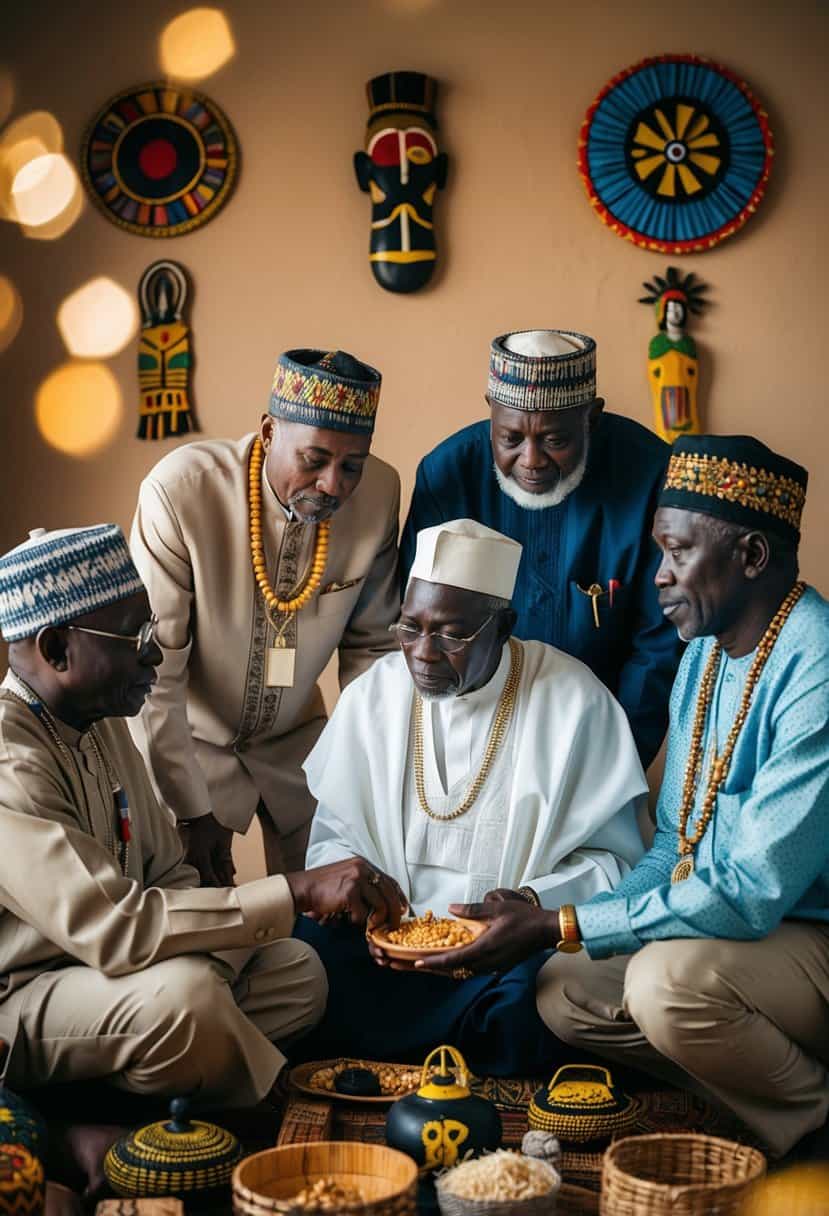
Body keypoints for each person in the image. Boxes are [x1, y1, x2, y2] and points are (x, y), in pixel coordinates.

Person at [417, 438, 827, 1158]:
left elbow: (751, 891)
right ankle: (745, 1103)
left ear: (752, 558)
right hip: (744, 937)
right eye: (658, 553)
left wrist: (563, 921)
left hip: (803, 935)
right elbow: (673, 844)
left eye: (676, 554)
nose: (658, 577)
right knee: (565, 989)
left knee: (667, 985)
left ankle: (811, 1121)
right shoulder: (705, 648)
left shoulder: (815, 667)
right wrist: (560, 930)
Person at [0, 525, 404, 1103]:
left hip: (120, 969)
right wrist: (294, 892)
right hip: (30, 994)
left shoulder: (104, 723)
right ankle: (209, 1112)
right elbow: (116, 929)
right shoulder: (9, 759)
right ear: (57, 649)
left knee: (298, 972)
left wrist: (232, 939)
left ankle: (165, 1082)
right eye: (135, 635)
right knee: (188, 1000)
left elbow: (168, 876)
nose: (156, 654)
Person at [294, 519, 647, 1075]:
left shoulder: (574, 701)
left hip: (507, 961)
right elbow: (334, 838)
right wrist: (362, 899)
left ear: (502, 625)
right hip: (384, 951)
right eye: (409, 628)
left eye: (451, 635)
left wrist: (529, 910)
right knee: (306, 955)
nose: (423, 653)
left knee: (534, 1002)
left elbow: (614, 863)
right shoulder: (372, 698)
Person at [129, 348, 401, 884]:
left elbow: (374, 652)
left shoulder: (380, 494)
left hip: (303, 747)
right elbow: (154, 672)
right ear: (269, 431)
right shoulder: (181, 492)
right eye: (314, 460)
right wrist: (187, 807)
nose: (334, 485)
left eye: (352, 465)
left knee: (330, 926)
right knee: (199, 919)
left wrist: (367, 787)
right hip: (187, 742)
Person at [399, 329, 682, 768]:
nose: (531, 460)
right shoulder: (447, 474)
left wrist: (612, 764)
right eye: (510, 438)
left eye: (555, 440)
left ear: (591, 418)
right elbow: (421, 630)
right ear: (490, 413)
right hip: (467, 735)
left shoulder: (650, 473)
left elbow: (659, 642)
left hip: (604, 734)